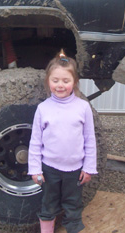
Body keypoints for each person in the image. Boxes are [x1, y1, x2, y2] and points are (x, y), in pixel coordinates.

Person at [28, 49, 97, 233]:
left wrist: (89, 167)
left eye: (66, 81)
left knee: (73, 205)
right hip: (49, 170)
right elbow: (35, 142)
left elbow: (90, 139)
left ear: (74, 82)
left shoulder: (83, 107)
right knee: (48, 205)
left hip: (75, 171)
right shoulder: (43, 109)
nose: (60, 85)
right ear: (48, 81)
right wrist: (35, 169)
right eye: (55, 80)